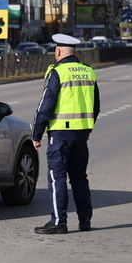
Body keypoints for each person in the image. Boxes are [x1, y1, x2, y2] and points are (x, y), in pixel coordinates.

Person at [32, 33, 100, 234]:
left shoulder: (58, 72)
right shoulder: (89, 71)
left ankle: (58, 222)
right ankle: (85, 220)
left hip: (61, 134)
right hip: (81, 135)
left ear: (59, 51)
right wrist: (87, 128)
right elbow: (96, 106)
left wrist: (36, 134)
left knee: (56, 177)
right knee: (79, 177)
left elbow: (46, 105)